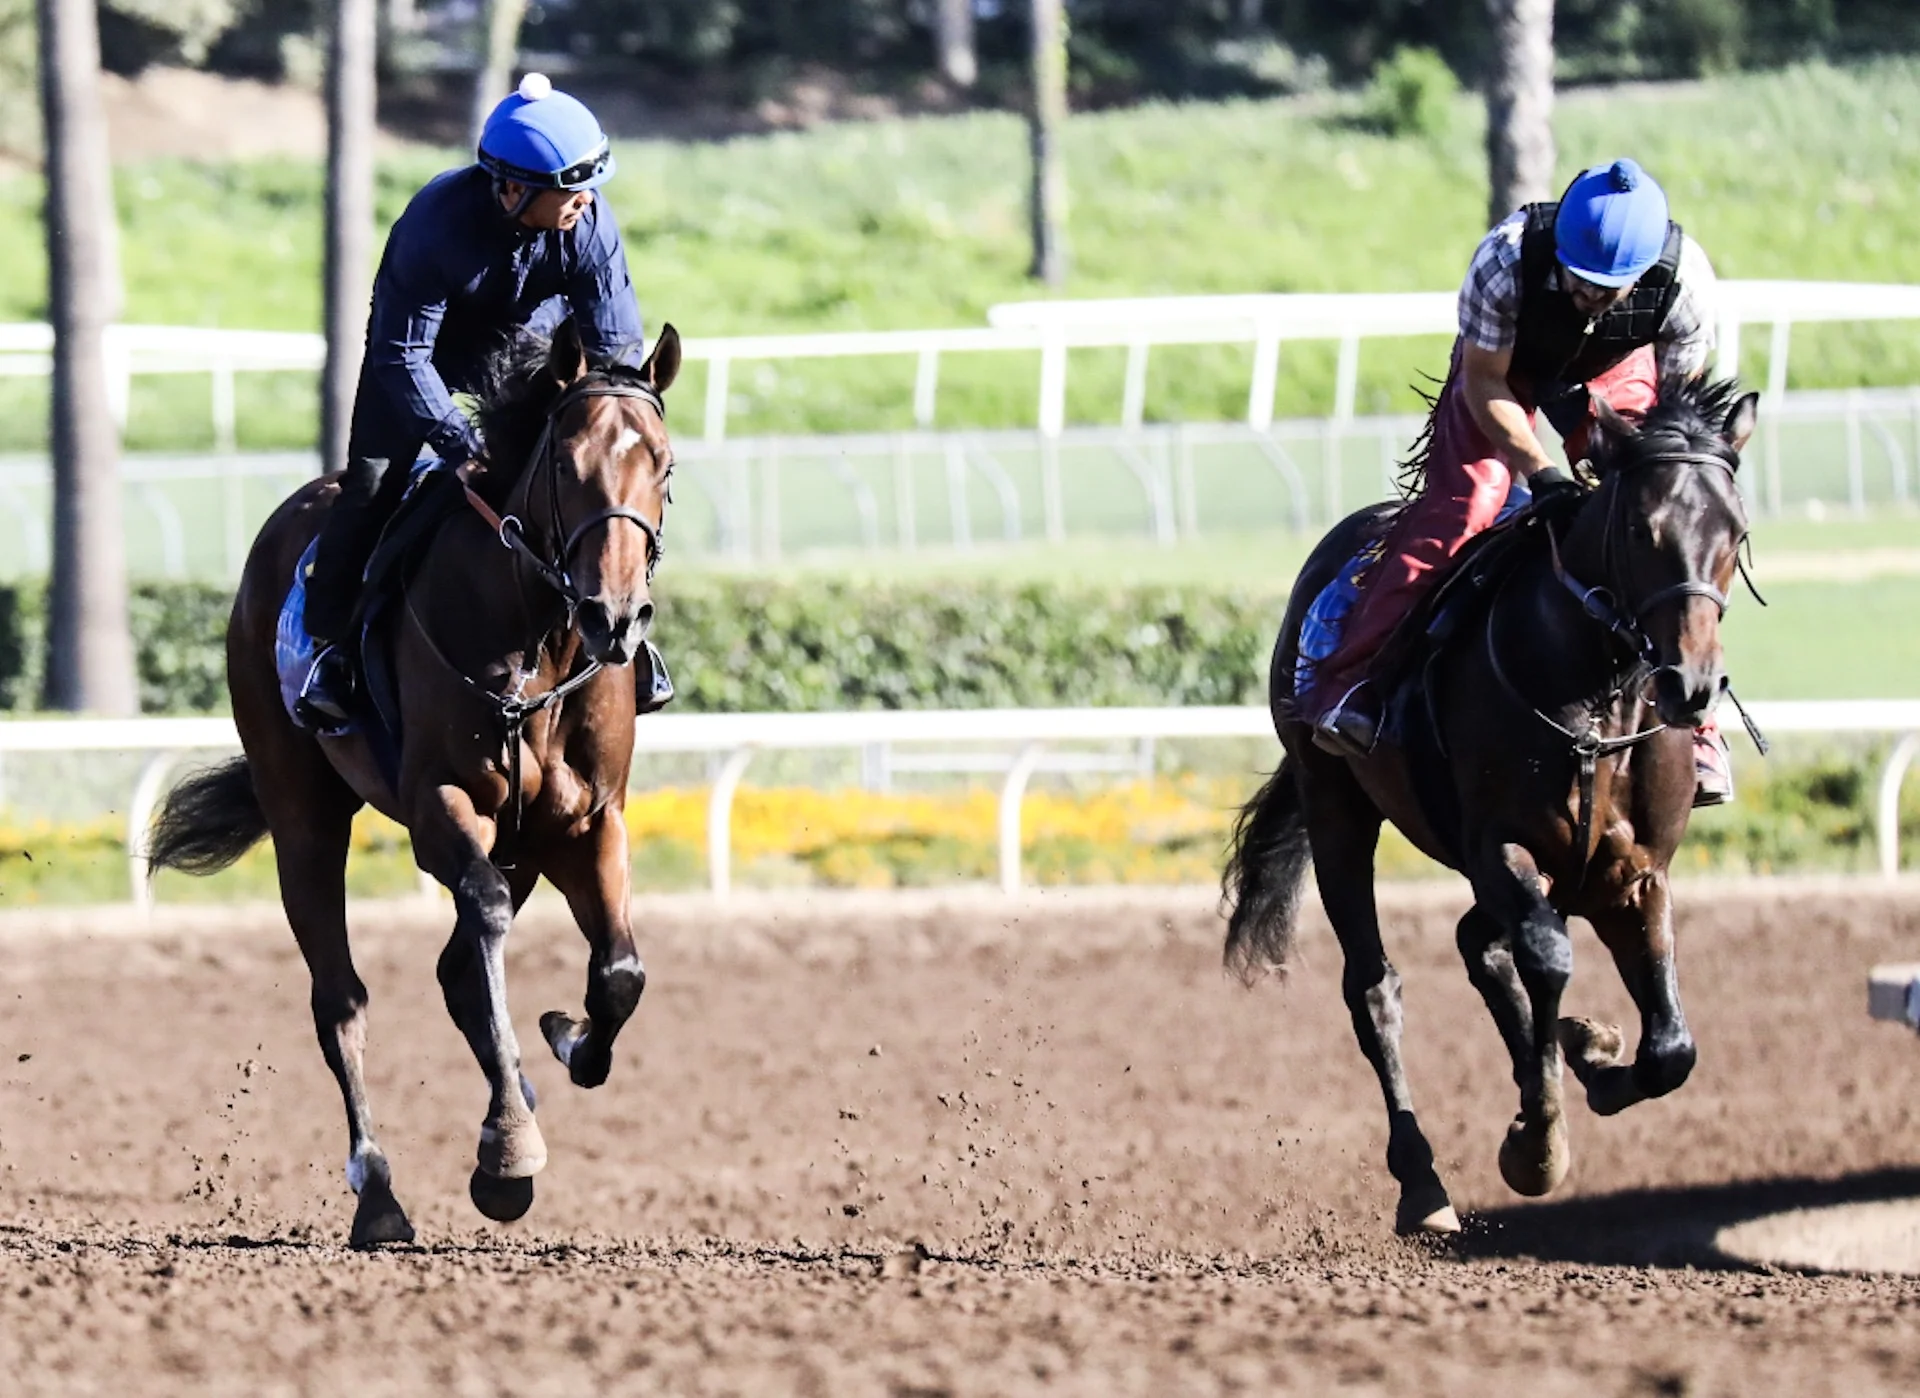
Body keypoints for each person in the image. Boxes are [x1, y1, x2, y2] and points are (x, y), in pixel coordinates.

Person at [1306, 157, 1735, 806]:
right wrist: (1541, 470)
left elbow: (1679, 421)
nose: (1590, 295)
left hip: (1613, 372)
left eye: (1609, 287)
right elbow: (1485, 380)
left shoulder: (1686, 285)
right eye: (1580, 278)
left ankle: (1700, 726)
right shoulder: (1505, 261)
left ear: (1643, 275)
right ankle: (1358, 682)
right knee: (1467, 507)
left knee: (1670, 532)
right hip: (1506, 378)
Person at [298, 72, 673, 725]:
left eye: (589, 188)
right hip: (421, 363)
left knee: (605, 473)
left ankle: (625, 631)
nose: (585, 201)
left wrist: (614, 414)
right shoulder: (434, 226)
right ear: (512, 189)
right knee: (371, 487)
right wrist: (455, 439)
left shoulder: (589, 222)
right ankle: (332, 651)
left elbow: (613, 345)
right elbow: (401, 355)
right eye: (568, 190)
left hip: (531, 360)